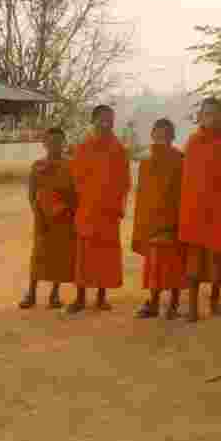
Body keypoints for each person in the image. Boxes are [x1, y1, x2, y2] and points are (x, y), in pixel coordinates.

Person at [178, 97, 221, 322]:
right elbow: (185, 180)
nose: (212, 118)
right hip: (195, 212)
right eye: (207, 114)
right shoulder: (192, 143)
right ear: (199, 118)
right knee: (194, 262)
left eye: (216, 114)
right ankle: (193, 307)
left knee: (218, 261)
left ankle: (214, 302)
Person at [68, 105, 130, 314]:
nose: (107, 123)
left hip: (109, 211)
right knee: (84, 254)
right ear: (93, 121)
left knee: (106, 254)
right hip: (88, 208)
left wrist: (117, 204)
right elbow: (75, 179)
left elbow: (124, 181)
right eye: (103, 119)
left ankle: (102, 297)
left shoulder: (118, 149)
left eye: (110, 120)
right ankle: (80, 297)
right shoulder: (83, 148)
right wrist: (85, 198)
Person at [132, 118, 186, 319]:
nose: (161, 136)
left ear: (173, 136)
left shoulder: (181, 160)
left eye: (166, 133)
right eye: (158, 132)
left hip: (173, 221)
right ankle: (153, 303)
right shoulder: (145, 163)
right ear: (152, 134)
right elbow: (143, 195)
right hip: (152, 222)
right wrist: (143, 223)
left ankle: (173, 305)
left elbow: (184, 193)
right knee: (154, 266)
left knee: (174, 265)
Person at [19, 127, 76, 309]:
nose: (55, 146)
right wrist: (38, 213)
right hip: (42, 217)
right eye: (51, 142)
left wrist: (69, 212)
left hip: (64, 217)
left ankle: (54, 294)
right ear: (44, 144)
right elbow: (31, 193)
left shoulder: (71, 165)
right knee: (38, 255)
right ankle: (31, 293)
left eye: (58, 142)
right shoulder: (37, 166)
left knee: (60, 255)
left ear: (63, 143)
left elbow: (75, 193)